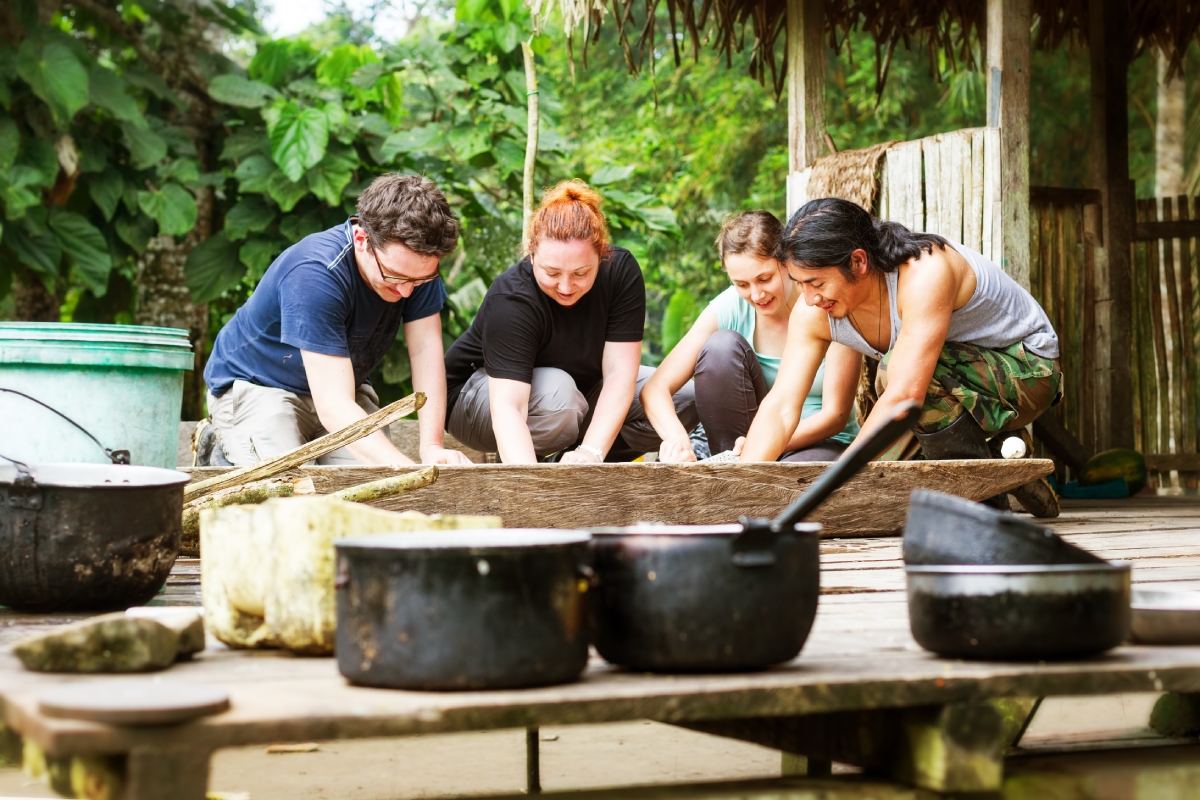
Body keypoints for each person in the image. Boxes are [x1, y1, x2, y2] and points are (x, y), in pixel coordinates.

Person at [739, 198, 1062, 512]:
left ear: (859, 262)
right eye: (799, 284)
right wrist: (743, 485)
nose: (808, 298)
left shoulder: (926, 271)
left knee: (893, 375)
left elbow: (904, 395)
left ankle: (984, 504)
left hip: (1028, 373)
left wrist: (833, 483)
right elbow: (780, 406)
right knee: (878, 491)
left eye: (816, 283)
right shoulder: (814, 312)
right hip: (940, 393)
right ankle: (998, 463)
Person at [203, 173, 471, 466]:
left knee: (377, 496)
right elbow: (334, 406)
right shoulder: (315, 273)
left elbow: (425, 351)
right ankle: (222, 450)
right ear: (361, 238)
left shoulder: (415, 267)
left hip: (344, 388)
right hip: (261, 387)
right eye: (395, 276)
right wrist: (406, 468)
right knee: (289, 491)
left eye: (419, 280)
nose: (406, 290)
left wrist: (431, 447)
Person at [444, 180, 697, 463]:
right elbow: (509, 408)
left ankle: (573, 464)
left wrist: (590, 453)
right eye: (552, 273)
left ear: (601, 254)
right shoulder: (512, 298)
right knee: (560, 397)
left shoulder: (620, 273)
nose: (566, 287)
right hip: (477, 400)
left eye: (580, 273)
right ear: (531, 251)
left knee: (687, 397)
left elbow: (618, 375)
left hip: (575, 394)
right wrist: (529, 489)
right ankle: (538, 469)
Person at [641, 211, 861, 463]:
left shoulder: (825, 302)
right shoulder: (730, 307)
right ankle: (728, 474)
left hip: (815, 442)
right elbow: (655, 388)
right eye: (742, 284)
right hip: (738, 447)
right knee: (720, 348)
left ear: (786, 263)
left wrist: (763, 445)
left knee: (786, 484)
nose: (756, 295)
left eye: (764, 279)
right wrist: (677, 440)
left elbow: (835, 416)